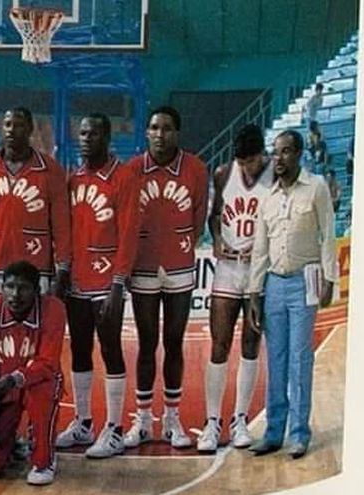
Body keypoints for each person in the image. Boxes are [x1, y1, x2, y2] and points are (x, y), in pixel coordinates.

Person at [247, 130, 337, 460]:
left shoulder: (316, 187)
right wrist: (254, 293)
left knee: (300, 358)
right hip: (273, 285)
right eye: (275, 152)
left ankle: (299, 434)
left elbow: (328, 234)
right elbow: (260, 249)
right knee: (277, 359)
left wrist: (330, 279)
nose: (279, 158)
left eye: (285, 151)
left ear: (299, 154)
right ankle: (273, 433)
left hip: (305, 282)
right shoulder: (268, 197)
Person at [124, 106, 209, 450]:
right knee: (146, 343)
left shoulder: (195, 168)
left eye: (167, 128)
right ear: (146, 132)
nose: (160, 134)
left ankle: (173, 419)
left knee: (174, 342)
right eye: (155, 128)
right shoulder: (132, 170)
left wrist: (178, 245)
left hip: (179, 267)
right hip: (143, 266)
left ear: (178, 133)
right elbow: (125, 219)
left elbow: (199, 217)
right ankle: (143, 420)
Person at [56, 114, 140, 458]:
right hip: (77, 280)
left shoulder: (123, 177)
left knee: (110, 349)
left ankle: (115, 428)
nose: (86, 138)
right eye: (83, 133)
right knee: (78, 350)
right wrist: (63, 269)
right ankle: (83, 422)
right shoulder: (73, 178)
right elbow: (65, 230)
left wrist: (119, 283)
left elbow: (129, 233)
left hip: (106, 281)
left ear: (107, 137)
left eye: (93, 133)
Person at [197, 124, 273, 453]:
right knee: (219, 343)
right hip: (228, 269)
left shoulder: (274, 173)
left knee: (251, 343)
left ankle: (239, 419)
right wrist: (216, 240)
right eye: (241, 162)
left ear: (262, 155)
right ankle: (212, 421)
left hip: (259, 270)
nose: (246, 168)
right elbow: (215, 216)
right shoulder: (223, 173)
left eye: (251, 161)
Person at [0, 261, 65, 485]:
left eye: (24, 288)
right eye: (10, 287)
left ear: (37, 290)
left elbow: (48, 363)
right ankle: (11, 442)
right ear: (1, 288)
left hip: (37, 383)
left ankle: (44, 459)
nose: (15, 294)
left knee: (42, 389)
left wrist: (12, 379)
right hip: (2, 391)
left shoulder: (53, 309)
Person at [0, 107, 71, 304]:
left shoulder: (51, 170)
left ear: (30, 129)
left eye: (19, 125)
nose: (11, 130)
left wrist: (63, 268)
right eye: (7, 125)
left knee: (35, 322)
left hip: (36, 268)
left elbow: (62, 225)